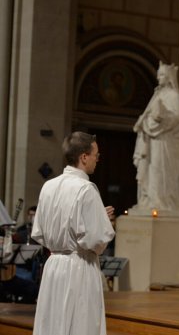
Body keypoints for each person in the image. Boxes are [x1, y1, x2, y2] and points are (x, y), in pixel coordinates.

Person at [31, 132, 115, 335]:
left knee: (53, 322)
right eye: (96, 154)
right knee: (79, 324)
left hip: (54, 266)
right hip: (79, 266)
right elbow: (96, 240)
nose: (97, 159)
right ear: (84, 157)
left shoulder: (48, 186)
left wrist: (95, 218)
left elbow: (40, 232)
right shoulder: (86, 189)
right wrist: (102, 222)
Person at [132, 61, 179, 216]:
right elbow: (149, 114)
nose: (158, 78)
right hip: (152, 140)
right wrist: (146, 121)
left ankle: (160, 202)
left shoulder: (174, 96)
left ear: (169, 76)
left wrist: (162, 116)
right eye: (158, 75)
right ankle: (149, 201)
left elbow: (178, 117)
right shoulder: (157, 95)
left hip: (165, 142)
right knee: (149, 170)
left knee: (159, 171)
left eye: (162, 75)